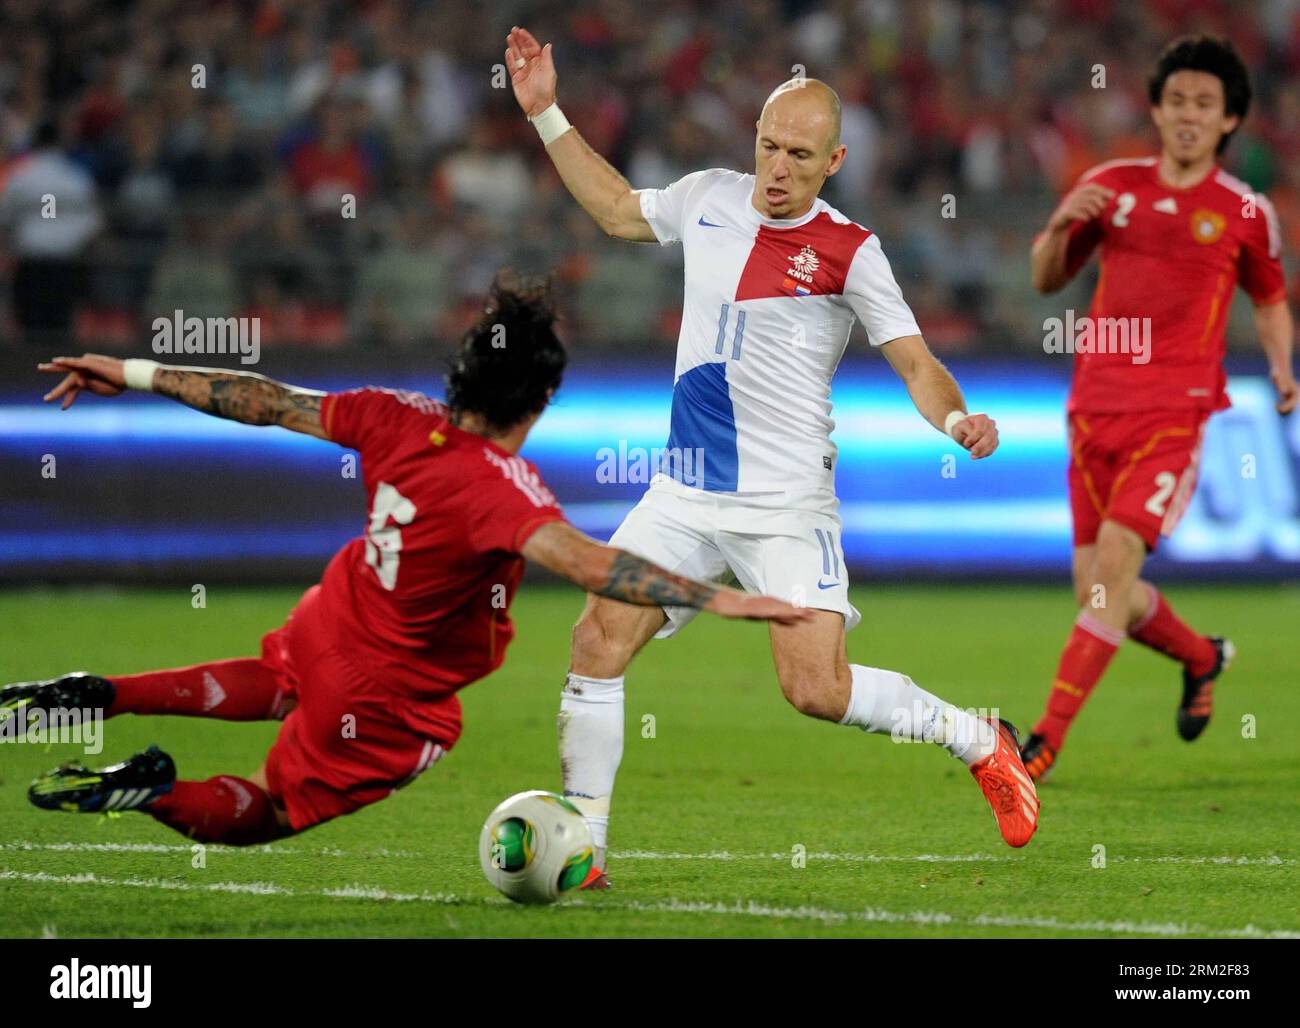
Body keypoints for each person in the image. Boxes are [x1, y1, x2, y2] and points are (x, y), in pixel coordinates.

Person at [2, 275, 809, 850]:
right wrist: (721, 599)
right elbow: (591, 565)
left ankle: (101, 694)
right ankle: (153, 790)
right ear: (540, 401)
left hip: (336, 616)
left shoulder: (392, 414)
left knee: (281, 682)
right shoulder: (503, 490)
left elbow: (267, 402)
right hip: (390, 690)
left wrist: (136, 372)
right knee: (273, 811)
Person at [504, 26, 1040, 884]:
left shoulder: (852, 251)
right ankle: (588, 848)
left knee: (815, 691)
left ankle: (980, 739)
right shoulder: (707, 196)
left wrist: (956, 420)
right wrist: (546, 114)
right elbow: (612, 209)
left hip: (785, 502)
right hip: (683, 492)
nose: (777, 168)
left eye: (798, 153)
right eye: (766, 146)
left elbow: (915, 360)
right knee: (597, 639)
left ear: (833, 160)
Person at [1024, 35, 1297, 781]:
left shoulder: (1245, 211)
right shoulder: (1111, 185)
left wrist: (1280, 368)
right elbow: (1046, 279)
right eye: (1176, 100)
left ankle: (1041, 743)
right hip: (1091, 411)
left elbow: (1270, 301)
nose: (1187, 115)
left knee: (1113, 570)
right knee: (1102, 591)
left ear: (1230, 120)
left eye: (1204, 104)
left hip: (1173, 414)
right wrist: (1059, 226)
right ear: (1154, 107)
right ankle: (1203, 656)